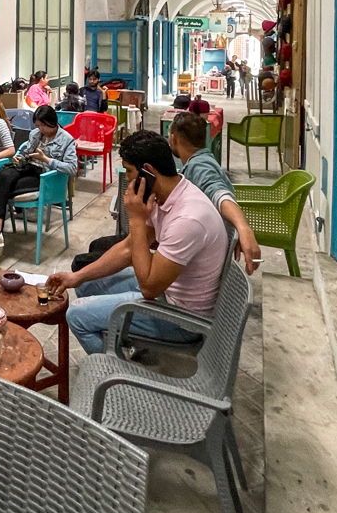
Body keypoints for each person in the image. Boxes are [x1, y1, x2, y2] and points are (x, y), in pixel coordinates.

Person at [49, 130, 227, 354]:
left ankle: (114, 379)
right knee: (86, 283)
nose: (127, 178)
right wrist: (76, 276)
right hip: (168, 290)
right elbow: (127, 248)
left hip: (182, 319)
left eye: (129, 171)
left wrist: (136, 219)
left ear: (148, 172)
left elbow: (149, 287)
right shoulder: (169, 194)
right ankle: (118, 341)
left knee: (76, 315)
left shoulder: (187, 219)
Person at [0, 104, 78, 262]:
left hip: (44, 176)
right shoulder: (35, 134)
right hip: (27, 167)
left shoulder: (66, 140)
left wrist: (46, 159)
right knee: (4, 177)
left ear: (52, 122)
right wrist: (20, 157)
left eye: (43, 125)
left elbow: (72, 168)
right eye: (38, 125)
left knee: (2, 187)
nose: (40, 129)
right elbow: (25, 152)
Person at [168, 112, 261, 274]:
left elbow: (219, 193)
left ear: (174, 139)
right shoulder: (203, 160)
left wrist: (244, 228)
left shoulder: (199, 167)